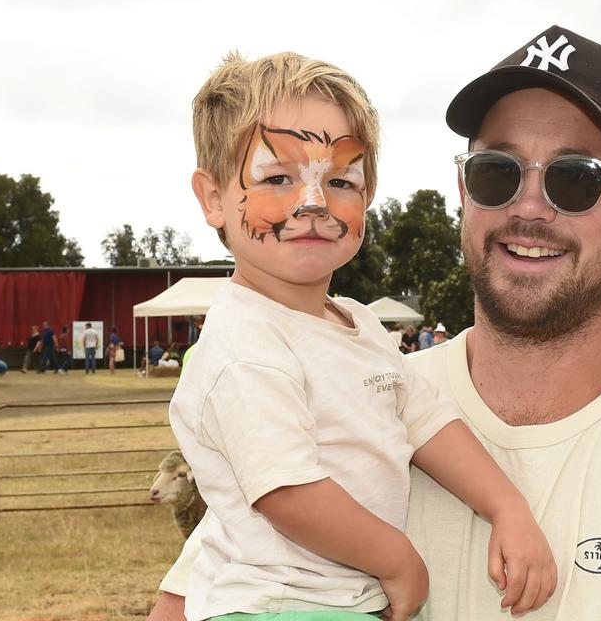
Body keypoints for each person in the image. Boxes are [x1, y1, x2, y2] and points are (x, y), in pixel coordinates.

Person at [151, 25, 601, 621]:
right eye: (498, 172)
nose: (530, 206)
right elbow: (201, 591)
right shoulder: (327, 392)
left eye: (575, 179)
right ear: (463, 189)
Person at [163, 50, 555, 621]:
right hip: (278, 606)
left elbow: (426, 423)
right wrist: (399, 561)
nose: (315, 203)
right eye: (277, 178)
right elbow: (287, 492)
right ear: (212, 198)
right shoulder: (246, 345)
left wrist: (505, 506)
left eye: (342, 179)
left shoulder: (358, 322)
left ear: (368, 194)